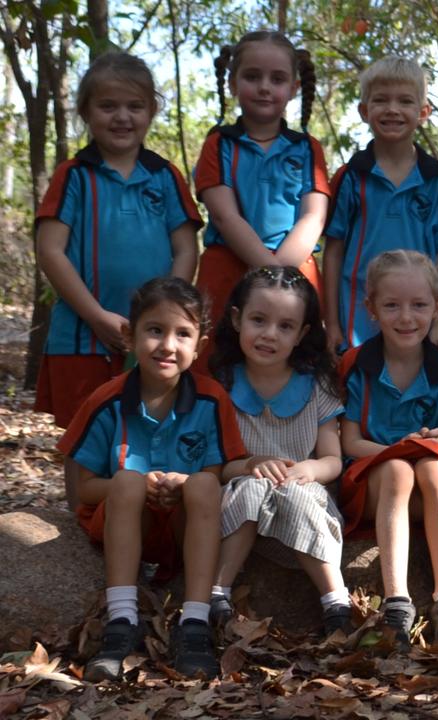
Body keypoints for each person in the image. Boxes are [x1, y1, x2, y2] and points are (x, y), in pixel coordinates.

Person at [58, 277, 246, 681]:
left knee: (202, 484)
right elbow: (84, 490)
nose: (168, 345)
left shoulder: (212, 400)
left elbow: (215, 476)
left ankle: (194, 622)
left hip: (184, 527)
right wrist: (138, 485)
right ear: (130, 334)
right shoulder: (106, 400)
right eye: (155, 330)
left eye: (183, 334)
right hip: (124, 520)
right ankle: (122, 622)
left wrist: (182, 482)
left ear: (200, 344)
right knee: (127, 479)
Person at [35, 52, 200, 445]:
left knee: (145, 428)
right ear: (86, 111)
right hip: (83, 336)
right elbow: (50, 250)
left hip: (155, 338)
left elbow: (186, 249)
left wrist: (165, 316)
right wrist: (96, 316)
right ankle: (82, 508)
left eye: (134, 106)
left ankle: (129, 504)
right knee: (83, 431)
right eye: (108, 106)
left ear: (152, 110)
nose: (121, 116)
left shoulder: (165, 176)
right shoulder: (73, 176)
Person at [338, 250, 438, 653]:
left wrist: (432, 443)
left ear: (437, 306)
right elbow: (350, 442)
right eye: (392, 306)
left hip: (423, 487)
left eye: (418, 305)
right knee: (399, 469)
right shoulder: (356, 363)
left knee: (433, 469)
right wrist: (397, 450)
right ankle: (398, 603)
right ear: (372, 309)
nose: (405, 317)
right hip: (370, 486)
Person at [206, 266, 351, 636]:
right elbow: (216, 467)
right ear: (237, 319)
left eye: (285, 326)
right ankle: (217, 592)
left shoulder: (316, 385)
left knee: (294, 492)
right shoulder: (220, 385)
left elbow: (334, 459)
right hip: (241, 507)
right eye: (259, 320)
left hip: (302, 498)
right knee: (254, 487)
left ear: (303, 334)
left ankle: (335, 599)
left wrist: (310, 470)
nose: (270, 334)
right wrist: (251, 463)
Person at [324, 56, 438, 354]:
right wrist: (333, 324)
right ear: (364, 111)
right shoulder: (350, 177)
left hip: (417, 321)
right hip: (358, 323)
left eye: (404, 101)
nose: (392, 109)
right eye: (381, 100)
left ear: (423, 111)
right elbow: (334, 251)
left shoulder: (437, 180)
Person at [195, 30, 329, 335]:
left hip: (295, 274)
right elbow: (224, 215)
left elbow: (314, 215)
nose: (265, 88)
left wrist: (280, 275)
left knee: (295, 368)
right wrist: (269, 275)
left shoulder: (308, 149)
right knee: (217, 370)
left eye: (277, 79)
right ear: (232, 83)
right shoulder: (218, 144)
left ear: (294, 88)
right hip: (228, 274)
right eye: (253, 77)